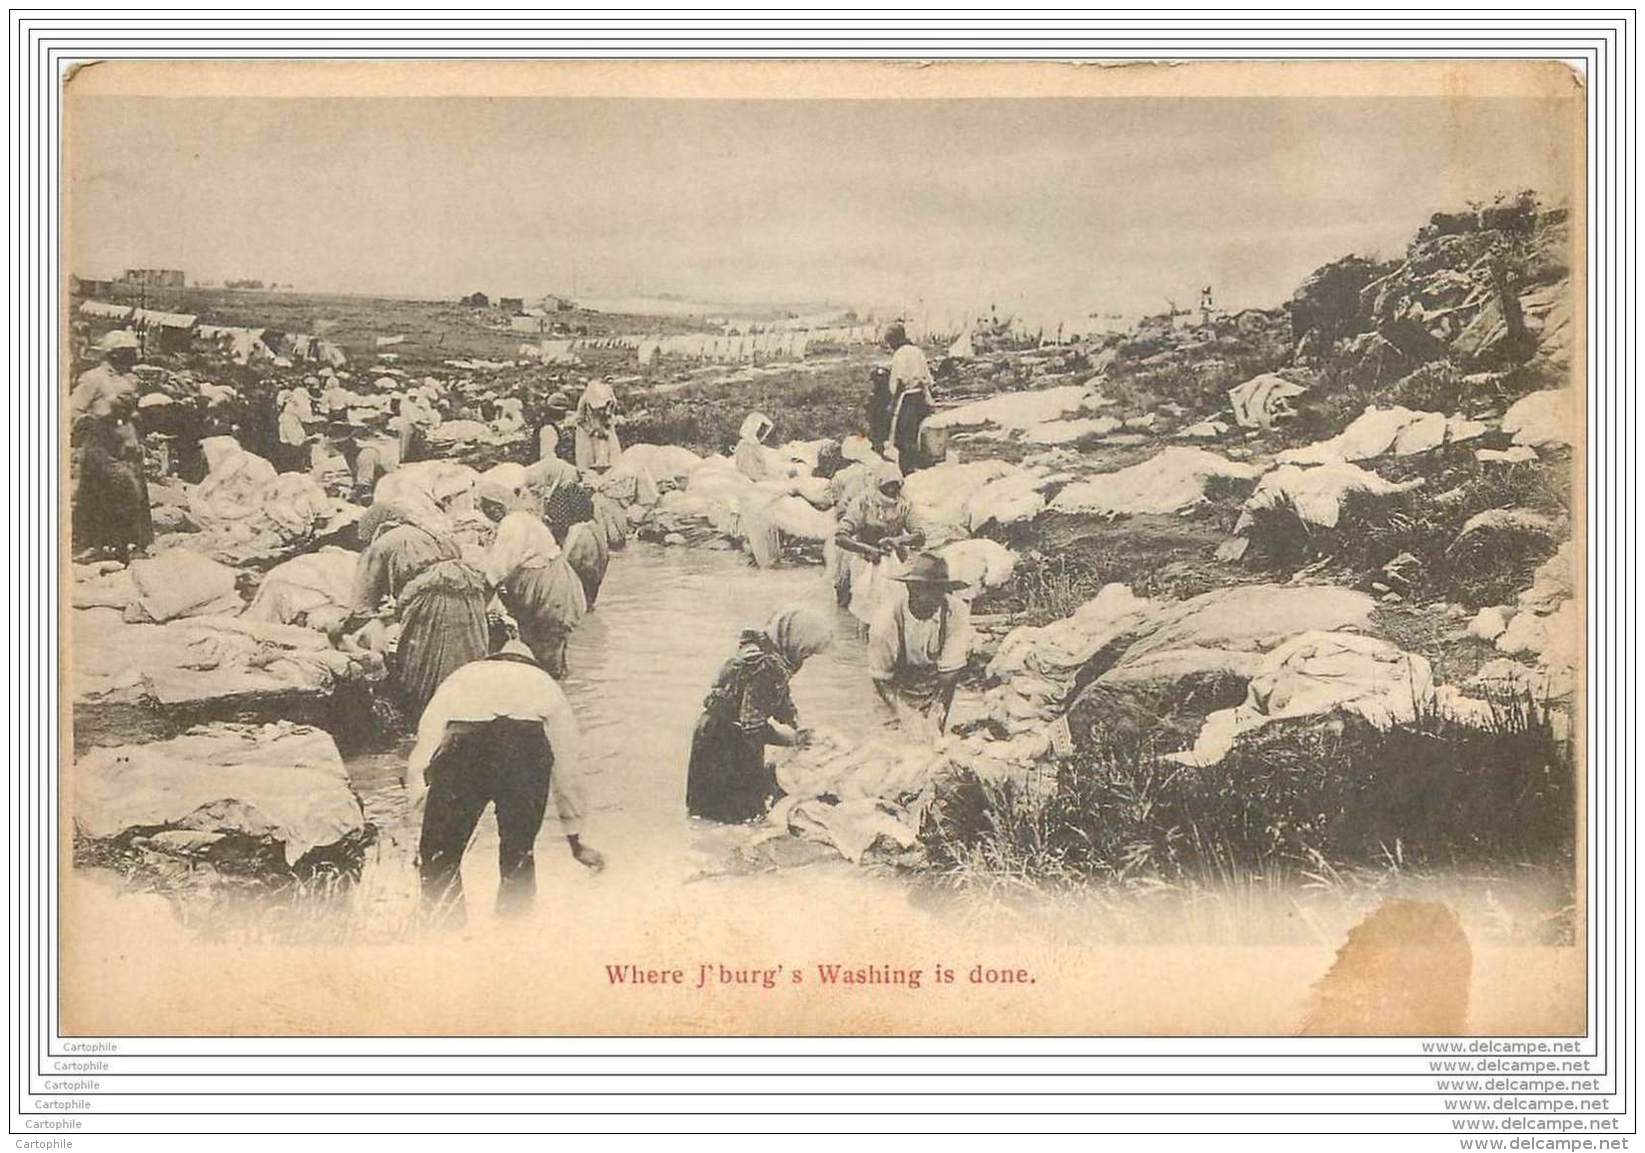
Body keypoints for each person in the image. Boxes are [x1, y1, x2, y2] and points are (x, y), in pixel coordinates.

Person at [406, 638, 605, 925]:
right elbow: (568, 768)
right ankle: (511, 937)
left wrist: (419, 828)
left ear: (493, 658)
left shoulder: (461, 676)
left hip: (464, 748)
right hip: (523, 752)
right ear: (530, 662)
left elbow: (422, 754)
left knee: (440, 857)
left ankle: (445, 939)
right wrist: (575, 840)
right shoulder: (545, 683)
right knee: (518, 852)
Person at [686, 604, 835, 824]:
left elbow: (780, 699)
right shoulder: (765, 667)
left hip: (714, 730)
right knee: (732, 816)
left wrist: (797, 723)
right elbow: (753, 726)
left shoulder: (768, 653)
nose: (806, 655)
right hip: (725, 740)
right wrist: (791, 740)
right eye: (807, 650)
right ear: (795, 639)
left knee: (714, 814)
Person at [352, 505, 489, 716]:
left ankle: (429, 716)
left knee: (426, 663)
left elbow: (362, 605)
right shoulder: (432, 533)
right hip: (469, 595)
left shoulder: (381, 544)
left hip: (432, 602)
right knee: (465, 659)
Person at [477, 480, 587, 678]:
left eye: (487, 508)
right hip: (557, 583)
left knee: (543, 648)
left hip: (545, 589)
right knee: (554, 646)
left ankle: (549, 690)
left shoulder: (511, 523)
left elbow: (499, 567)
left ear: (497, 506)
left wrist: (482, 601)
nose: (486, 513)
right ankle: (565, 688)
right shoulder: (525, 518)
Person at [867, 552, 974, 735]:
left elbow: (949, 674)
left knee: (933, 740)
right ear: (911, 588)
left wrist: (937, 716)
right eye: (928, 590)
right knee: (889, 741)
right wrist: (903, 714)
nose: (935, 598)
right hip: (893, 685)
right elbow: (881, 677)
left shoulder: (956, 611)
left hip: (933, 684)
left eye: (940, 590)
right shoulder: (885, 621)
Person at [70, 331, 153, 560]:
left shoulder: (129, 379)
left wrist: (134, 414)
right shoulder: (93, 378)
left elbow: (133, 413)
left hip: (126, 444)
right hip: (102, 446)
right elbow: (73, 411)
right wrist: (105, 414)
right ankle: (96, 545)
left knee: (133, 494)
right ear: (115, 353)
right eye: (129, 353)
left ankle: (127, 545)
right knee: (104, 494)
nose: (133, 357)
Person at [832, 460, 923, 621]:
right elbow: (840, 537)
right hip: (865, 561)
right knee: (864, 607)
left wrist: (899, 540)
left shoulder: (904, 504)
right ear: (878, 484)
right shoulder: (864, 503)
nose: (891, 490)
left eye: (895, 486)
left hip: (894, 561)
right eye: (887, 486)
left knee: (896, 608)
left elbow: (920, 535)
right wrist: (867, 549)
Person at [884, 322, 937, 475]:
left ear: (895, 340)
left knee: (903, 434)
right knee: (918, 433)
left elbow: (900, 380)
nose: (891, 346)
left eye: (891, 343)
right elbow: (927, 377)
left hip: (908, 398)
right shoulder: (916, 351)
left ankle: (908, 468)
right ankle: (920, 463)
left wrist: (893, 403)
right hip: (920, 396)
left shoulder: (900, 354)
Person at [572, 378, 622, 471]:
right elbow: (579, 420)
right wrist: (593, 431)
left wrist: (606, 427)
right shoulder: (584, 400)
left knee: (610, 452)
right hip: (588, 430)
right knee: (588, 457)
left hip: (604, 427)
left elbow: (609, 416)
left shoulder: (611, 400)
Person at [733, 411, 776, 482]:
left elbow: (742, 431)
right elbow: (771, 424)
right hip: (751, 438)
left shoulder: (751, 416)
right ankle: (753, 474)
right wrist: (764, 436)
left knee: (750, 456)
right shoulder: (760, 416)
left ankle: (749, 473)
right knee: (755, 456)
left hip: (748, 438)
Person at [866, 365, 894, 455]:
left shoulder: (880, 396)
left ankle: (878, 445)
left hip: (881, 415)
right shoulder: (875, 396)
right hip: (879, 413)